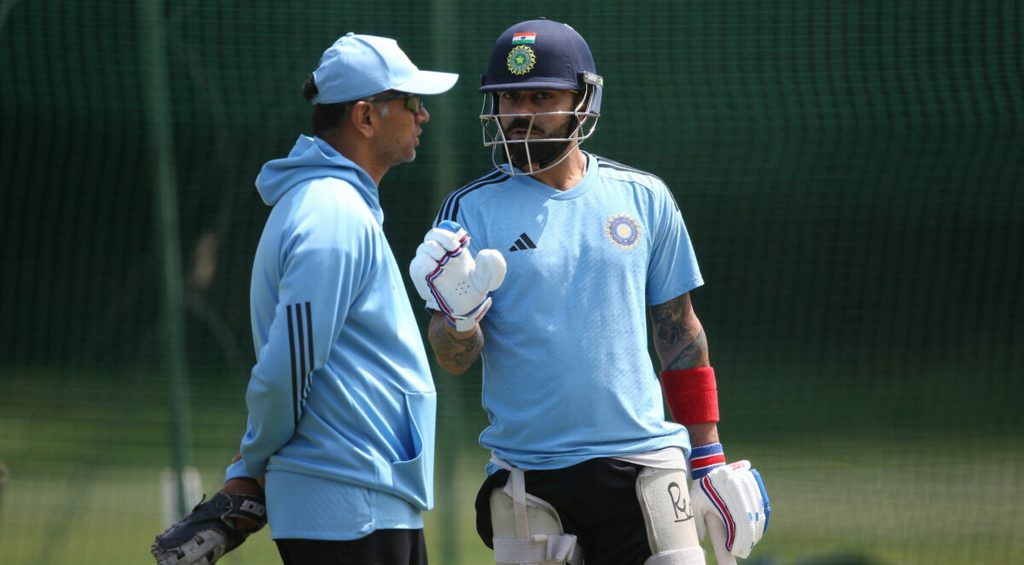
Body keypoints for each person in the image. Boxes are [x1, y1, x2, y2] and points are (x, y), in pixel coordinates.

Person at [408, 19, 769, 565]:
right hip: (528, 472)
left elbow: (679, 333)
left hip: (647, 461)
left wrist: (709, 456)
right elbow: (453, 358)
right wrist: (457, 321)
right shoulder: (469, 210)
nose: (520, 113)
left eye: (541, 96)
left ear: (582, 101)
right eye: (507, 97)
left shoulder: (644, 197)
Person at [152, 32, 458, 565]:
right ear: (365, 117)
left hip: (365, 498)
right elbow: (288, 366)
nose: (422, 115)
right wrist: (249, 465)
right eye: (410, 102)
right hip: (350, 504)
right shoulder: (332, 212)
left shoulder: (334, 204)